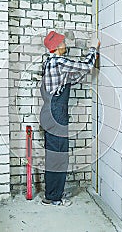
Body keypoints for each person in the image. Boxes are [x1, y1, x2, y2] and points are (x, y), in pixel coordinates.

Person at [40, 31, 100, 206]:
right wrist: (93, 48)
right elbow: (87, 65)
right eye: (63, 43)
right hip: (56, 115)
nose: (65, 45)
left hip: (50, 113)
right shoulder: (59, 62)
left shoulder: (49, 63)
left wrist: (79, 73)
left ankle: (53, 194)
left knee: (54, 156)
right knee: (59, 157)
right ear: (58, 47)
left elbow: (70, 78)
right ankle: (54, 198)